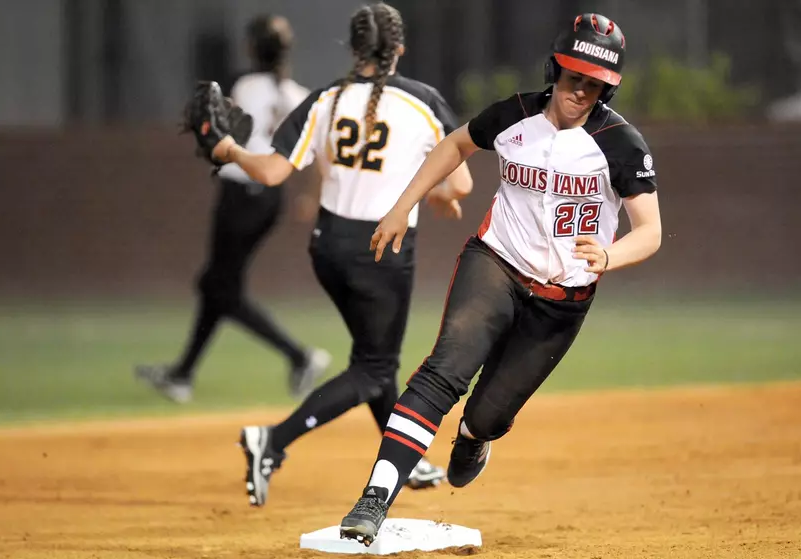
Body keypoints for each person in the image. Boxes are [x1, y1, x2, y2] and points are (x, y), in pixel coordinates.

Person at [336, 13, 663, 545]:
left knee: (488, 414)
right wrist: (402, 207)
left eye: (595, 82)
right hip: (496, 263)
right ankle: (375, 496)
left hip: (562, 300)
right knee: (443, 371)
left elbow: (649, 231)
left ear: (608, 86)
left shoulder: (620, 143)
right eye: (573, 75)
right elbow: (454, 146)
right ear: (554, 68)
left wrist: (610, 254)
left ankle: (474, 435)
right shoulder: (515, 114)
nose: (580, 90)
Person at [194, 3, 474, 506]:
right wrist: (441, 197)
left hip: (328, 250)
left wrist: (228, 151)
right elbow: (461, 182)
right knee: (373, 366)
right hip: (382, 255)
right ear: (399, 50)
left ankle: (403, 461)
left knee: (374, 360)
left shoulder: (325, 99)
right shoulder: (423, 101)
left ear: (352, 49)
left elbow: (273, 172)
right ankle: (272, 440)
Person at [135, 15, 330, 405]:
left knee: (218, 287)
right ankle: (183, 374)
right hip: (271, 199)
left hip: (240, 196)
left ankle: (300, 356)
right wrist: (312, 197)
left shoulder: (246, 85)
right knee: (217, 286)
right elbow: (322, 154)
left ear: (252, 48)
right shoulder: (298, 94)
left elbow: (225, 134)